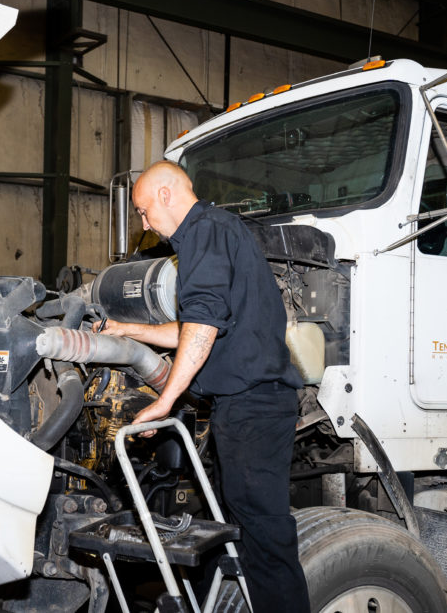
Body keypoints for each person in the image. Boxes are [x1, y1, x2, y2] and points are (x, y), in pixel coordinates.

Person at [93, 161, 310, 613]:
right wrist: (131, 331)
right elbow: (194, 325)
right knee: (238, 528)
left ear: (167, 194)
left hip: (255, 406)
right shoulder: (210, 233)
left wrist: (165, 400)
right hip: (242, 408)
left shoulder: (206, 231)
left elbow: (203, 323)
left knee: (265, 536)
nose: (144, 223)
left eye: (144, 209)